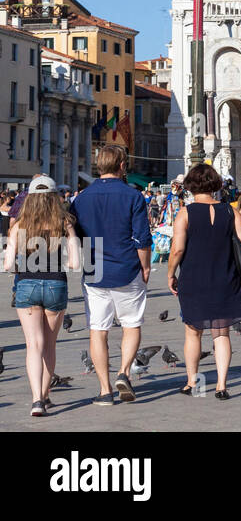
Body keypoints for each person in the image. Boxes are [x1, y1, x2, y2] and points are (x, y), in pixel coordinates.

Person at [71, 145, 152, 406]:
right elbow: (142, 239)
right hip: (126, 267)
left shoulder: (80, 199)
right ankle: (124, 372)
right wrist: (146, 267)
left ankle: (105, 390)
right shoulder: (133, 196)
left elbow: (78, 237)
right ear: (121, 165)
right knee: (131, 324)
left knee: (98, 330)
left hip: (94, 269)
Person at [167, 163, 241, 400]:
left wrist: (170, 274)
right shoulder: (229, 211)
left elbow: (177, 250)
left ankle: (192, 381)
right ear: (214, 184)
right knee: (221, 332)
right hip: (224, 277)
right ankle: (221, 385)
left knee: (193, 332)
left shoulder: (185, 212)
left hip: (194, 278)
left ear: (190, 186)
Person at [4, 175, 81, 416]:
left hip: (27, 284)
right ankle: (46, 395)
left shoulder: (19, 225)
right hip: (55, 285)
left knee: (33, 345)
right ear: (53, 197)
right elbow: (77, 263)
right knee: (49, 344)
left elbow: (7, 265)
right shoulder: (64, 222)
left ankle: (36, 400)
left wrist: (21, 266)